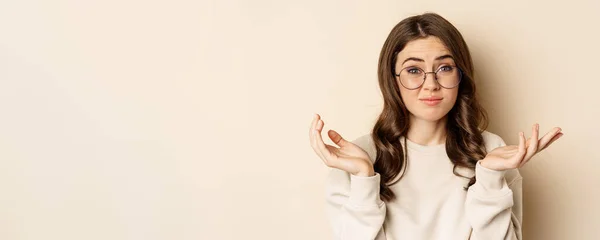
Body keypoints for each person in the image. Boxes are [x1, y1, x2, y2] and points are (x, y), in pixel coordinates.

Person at [308, 12, 563, 240]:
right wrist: (364, 178)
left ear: (460, 75)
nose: (431, 84)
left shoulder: (493, 151)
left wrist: (490, 177)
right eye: (414, 70)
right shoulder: (357, 158)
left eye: (444, 67)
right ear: (392, 80)